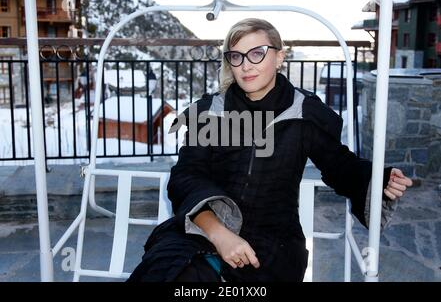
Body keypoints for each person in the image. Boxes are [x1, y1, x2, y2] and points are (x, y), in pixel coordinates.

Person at [127, 18, 413, 282]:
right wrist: (220, 235)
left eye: (257, 53)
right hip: (203, 227)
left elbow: (339, 164)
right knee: (169, 274)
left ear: (279, 56)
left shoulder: (303, 113)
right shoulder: (210, 112)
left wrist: (376, 178)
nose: (246, 65)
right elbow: (186, 177)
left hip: (273, 242)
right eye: (236, 56)